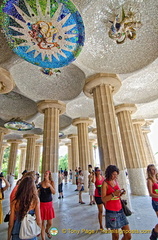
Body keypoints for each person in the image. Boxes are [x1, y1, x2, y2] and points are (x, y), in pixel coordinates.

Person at [101, 165, 131, 240]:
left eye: (116, 174)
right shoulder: (105, 183)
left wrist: (120, 193)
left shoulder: (115, 181)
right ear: (109, 173)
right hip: (111, 212)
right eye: (113, 174)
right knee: (115, 236)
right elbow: (103, 199)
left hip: (120, 210)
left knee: (128, 236)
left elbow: (116, 194)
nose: (115, 176)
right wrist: (114, 194)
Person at [8, 176, 41, 240]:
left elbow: (11, 223)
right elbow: (39, 220)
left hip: (17, 231)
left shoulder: (15, 202)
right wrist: (38, 229)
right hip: (30, 231)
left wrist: (8, 237)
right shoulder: (35, 200)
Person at [38, 170, 55, 240]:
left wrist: (50, 186)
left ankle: (47, 230)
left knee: (50, 223)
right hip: (42, 204)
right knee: (42, 223)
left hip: (49, 204)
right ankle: (43, 238)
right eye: (44, 173)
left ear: (49, 175)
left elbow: (54, 192)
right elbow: (37, 192)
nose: (45, 174)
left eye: (47, 174)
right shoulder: (41, 183)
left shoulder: (52, 182)